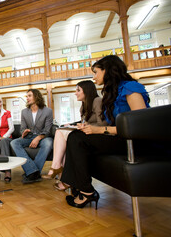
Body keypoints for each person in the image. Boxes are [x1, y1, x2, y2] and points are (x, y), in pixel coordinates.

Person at [61, 55, 150, 209]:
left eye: (96, 72)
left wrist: (99, 130)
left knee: (77, 139)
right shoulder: (111, 93)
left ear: (107, 70)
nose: (94, 77)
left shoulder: (130, 88)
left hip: (134, 141)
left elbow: (139, 126)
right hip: (120, 137)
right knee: (75, 136)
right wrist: (90, 128)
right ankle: (79, 187)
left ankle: (86, 191)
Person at [42, 80, 107, 191]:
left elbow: (102, 124)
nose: (75, 93)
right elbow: (85, 121)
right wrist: (72, 124)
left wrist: (84, 125)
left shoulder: (97, 101)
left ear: (86, 91)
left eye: (78, 90)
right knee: (61, 132)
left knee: (61, 133)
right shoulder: (83, 106)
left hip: (99, 135)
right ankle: (63, 177)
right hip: (87, 133)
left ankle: (57, 168)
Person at [10, 89, 53, 184]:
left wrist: (38, 138)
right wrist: (24, 132)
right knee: (14, 142)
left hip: (43, 137)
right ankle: (33, 171)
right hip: (29, 137)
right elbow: (22, 128)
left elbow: (48, 130)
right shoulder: (24, 112)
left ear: (36, 96)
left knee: (49, 142)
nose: (27, 98)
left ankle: (31, 173)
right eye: (27, 96)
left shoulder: (48, 111)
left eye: (29, 95)